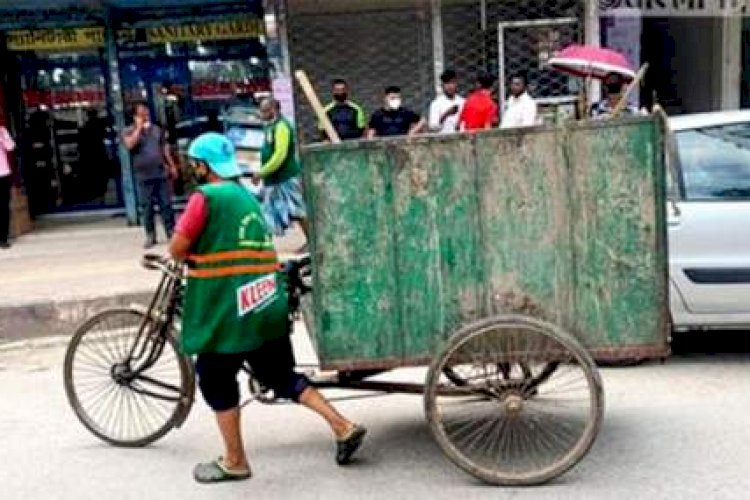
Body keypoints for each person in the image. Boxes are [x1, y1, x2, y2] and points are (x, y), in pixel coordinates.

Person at [169, 132, 366, 484]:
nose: (192, 169)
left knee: (214, 377)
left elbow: (178, 249)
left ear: (203, 165)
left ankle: (235, 460)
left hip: (228, 310)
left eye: (194, 163)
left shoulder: (206, 197)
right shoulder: (246, 195)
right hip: (263, 301)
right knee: (280, 376)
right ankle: (343, 426)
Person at [122, 102, 179, 248]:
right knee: (147, 207)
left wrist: (171, 165)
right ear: (135, 115)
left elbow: (164, 149)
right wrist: (139, 128)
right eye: (141, 112)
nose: (145, 115)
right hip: (143, 175)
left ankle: (171, 232)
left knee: (166, 204)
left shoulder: (156, 130)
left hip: (160, 172)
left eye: (146, 112)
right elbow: (129, 145)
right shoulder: (128, 131)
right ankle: (150, 235)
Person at [255, 98, 309, 240]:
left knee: (298, 211)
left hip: (286, 178)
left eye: (264, 111)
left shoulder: (282, 127)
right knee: (268, 215)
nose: (261, 114)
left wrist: (261, 172)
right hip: (273, 181)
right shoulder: (270, 127)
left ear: (273, 110)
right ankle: (267, 251)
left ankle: (314, 243)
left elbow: (280, 155)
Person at [428, 70, 465, 134]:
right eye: (447, 83)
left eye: (452, 83)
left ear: (456, 84)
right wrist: (446, 114)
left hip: (461, 139)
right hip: (444, 140)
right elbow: (433, 128)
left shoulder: (463, 102)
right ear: (442, 85)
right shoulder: (436, 104)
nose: (450, 86)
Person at [0, 123, 15, 249]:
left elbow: (10, 147)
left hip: (3, 174)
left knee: (4, 207)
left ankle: (3, 238)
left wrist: (2, 135)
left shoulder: (2, 131)